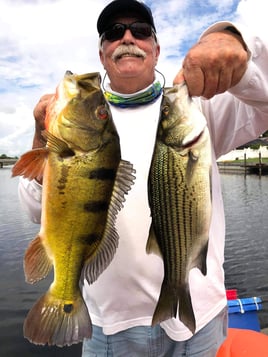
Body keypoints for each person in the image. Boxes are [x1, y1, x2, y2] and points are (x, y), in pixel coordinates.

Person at [18, 0, 268, 356]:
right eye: (114, 33)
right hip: (109, 326)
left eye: (141, 30)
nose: (128, 37)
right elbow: (32, 209)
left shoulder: (196, 107)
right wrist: (43, 135)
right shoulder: (76, 118)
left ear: (156, 48)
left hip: (199, 316)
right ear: (103, 54)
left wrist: (233, 39)